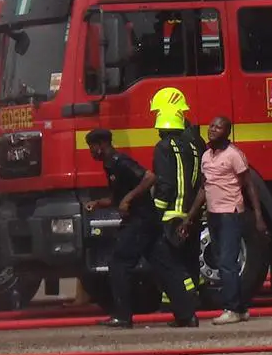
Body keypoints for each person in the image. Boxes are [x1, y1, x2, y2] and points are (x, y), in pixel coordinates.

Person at [179, 116, 268, 325]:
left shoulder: (234, 155)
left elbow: (249, 186)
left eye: (218, 127)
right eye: (211, 126)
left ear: (227, 132)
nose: (212, 130)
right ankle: (241, 309)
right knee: (222, 262)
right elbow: (204, 188)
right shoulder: (206, 156)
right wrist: (189, 217)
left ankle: (232, 309)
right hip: (213, 215)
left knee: (228, 263)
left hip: (231, 214)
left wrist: (258, 216)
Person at [84, 128, 158, 329]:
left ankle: (122, 316)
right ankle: (186, 314)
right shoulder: (110, 166)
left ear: (102, 145)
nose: (91, 152)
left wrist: (128, 199)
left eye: (92, 147)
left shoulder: (121, 162)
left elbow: (150, 177)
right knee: (163, 264)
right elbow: (116, 198)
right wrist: (97, 203)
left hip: (140, 220)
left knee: (118, 264)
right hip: (142, 220)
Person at [149, 106, 202, 328]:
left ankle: (186, 306)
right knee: (188, 261)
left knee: (170, 264)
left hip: (171, 216)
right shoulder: (194, 145)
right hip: (190, 215)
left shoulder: (163, 147)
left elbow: (166, 185)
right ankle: (175, 303)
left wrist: (156, 212)